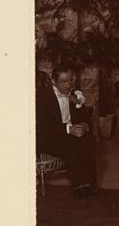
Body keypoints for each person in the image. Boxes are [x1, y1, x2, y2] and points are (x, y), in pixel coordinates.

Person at [36, 64, 98, 199]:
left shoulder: (74, 94)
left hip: (70, 134)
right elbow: (41, 127)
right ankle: (79, 187)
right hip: (49, 137)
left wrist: (84, 125)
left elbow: (86, 118)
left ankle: (90, 184)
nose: (68, 85)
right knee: (70, 144)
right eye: (63, 82)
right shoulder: (42, 97)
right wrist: (68, 129)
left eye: (70, 81)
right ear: (53, 81)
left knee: (88, 140)